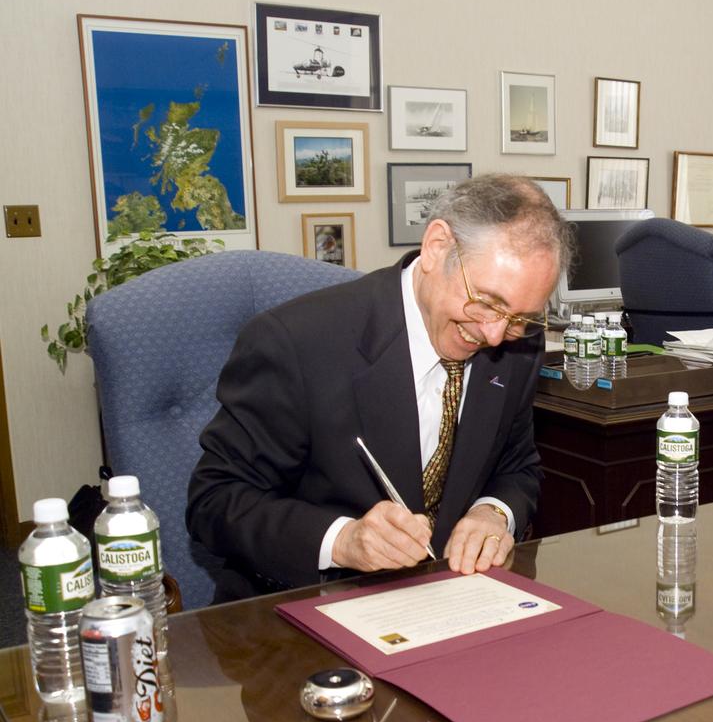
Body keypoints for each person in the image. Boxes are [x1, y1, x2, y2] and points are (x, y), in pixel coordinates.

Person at [188, 174, 572, 600]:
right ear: (436, 247)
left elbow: (517, 467)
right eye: (486, 301)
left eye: (520, 316)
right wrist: (344, 541)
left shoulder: (520, 343)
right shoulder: (297, 341)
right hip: (302, 610)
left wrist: (493, 513)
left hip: (450, 603)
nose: (496, 334)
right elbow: (216, 501)